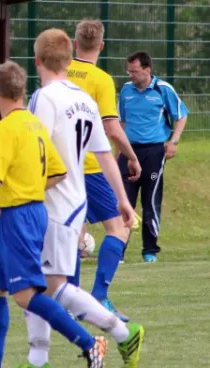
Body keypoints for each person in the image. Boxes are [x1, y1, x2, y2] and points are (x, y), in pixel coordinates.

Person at [0, 60, 108, 368]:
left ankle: (90, 343)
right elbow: (58, 171)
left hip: (19, 219)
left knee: (26, 295)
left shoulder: (5, 129)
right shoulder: (34, 125)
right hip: (25, 214)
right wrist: (29, 189)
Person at [21, 28, 145, 368]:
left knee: (53, 287)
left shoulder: (44, 98)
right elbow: (105, 154)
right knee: (37, 284)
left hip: (52, 203)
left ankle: (123, 332)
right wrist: (122, 199)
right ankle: (38, 359)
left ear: (37, 61)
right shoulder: (85, 98)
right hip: (76, 199)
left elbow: (36, 151)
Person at [66, 19, 141, 321]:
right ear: (101, 45)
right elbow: (111, 126)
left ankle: (68, 297)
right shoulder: (100, 79)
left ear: (74, 43)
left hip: (61, 168)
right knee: (121, 227)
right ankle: (99, 296)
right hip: (91, 166)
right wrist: (132, 156)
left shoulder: (58, 74)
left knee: (72, 232)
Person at [118, 50, 189, 263]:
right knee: (124, 202)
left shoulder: (162, 89)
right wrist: (117, 153)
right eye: (128, 71)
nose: (130, 75)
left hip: (153, 152)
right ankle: (118, 250)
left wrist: (173, 141)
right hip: (129, 152)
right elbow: (121, 122)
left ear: (147, 70)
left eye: (135, 71)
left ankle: (150, 250)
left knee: (150, 200)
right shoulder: (125, 91)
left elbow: (182, 114)